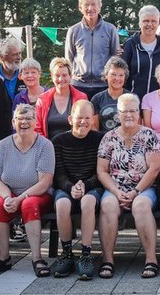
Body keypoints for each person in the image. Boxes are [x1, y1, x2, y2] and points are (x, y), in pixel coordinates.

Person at [0, 104, 55, 277]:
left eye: (28, 118)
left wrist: (20, 198)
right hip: (10, 192)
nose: (24, 122)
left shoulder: (45, 145)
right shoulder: (3, 145)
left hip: (38, 194)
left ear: (35, 122)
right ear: (13, 122)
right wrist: (7, 198)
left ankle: (37, 259)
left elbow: (45, 182)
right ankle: (3, 258)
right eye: (20, 119)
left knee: (29, 204)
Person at [96, 94, 160, 279]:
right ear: (118, 114)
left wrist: (135, 192)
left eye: (133, 111)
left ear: (138, 112)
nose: (129, 115)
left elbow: (154, 168)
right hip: (115, 188)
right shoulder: (109, 137)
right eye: (124, 111)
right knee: (107, 205)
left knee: (141, 205)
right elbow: (102, 170)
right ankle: (108, 260)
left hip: (143, 188)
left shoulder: (148, 135)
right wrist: (116, 192)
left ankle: (151, 259)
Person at [49, 100, 104, 280]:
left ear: (93, 119)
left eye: (87, 118)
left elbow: (102, 172)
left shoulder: (100, 139)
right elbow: (58, 174)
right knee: (62, 205)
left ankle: (86, 254)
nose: (83, 122)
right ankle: (67, 253)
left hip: (92, 186)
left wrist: (85, 186)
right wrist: (71, 187)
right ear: (71, 119)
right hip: (66, 186)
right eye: (79, 117)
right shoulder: (58, 141)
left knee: (88, 202)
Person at [65, 0, 121, 100]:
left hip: (103, 85)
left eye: (93, 4)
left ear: (100, 5)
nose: (90, 8)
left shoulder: (110, 29)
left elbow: (115, 57)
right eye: (86, 5)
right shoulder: (73, 31)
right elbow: (68, 59)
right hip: (78, 85)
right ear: (80, 7)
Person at [122, 5, 160, 100]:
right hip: (134, 100)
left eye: (154, 21)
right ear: (139, 23)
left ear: (158, 23)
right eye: (146, 21)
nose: (150, 24)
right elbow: (123, 73)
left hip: (158, 101)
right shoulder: (130, 44)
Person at [35, 57, 87, 140]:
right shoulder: (42, 99)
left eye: (64, 75)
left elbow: (85, 125)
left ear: (70, 76)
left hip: (74, 144)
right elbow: (37, 128)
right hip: (48, 145)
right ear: (52, 77)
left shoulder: (81, 98)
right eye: (57, 75)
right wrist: (47, 145)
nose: (61, 79)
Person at [91, 57, 130, 132]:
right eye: (113, 74)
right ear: (106, 75)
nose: (117, 78)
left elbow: (136, 127)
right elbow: (94, 128)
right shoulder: (97, 99)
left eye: (121, 75)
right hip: (102, 138)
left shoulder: (132, 98)